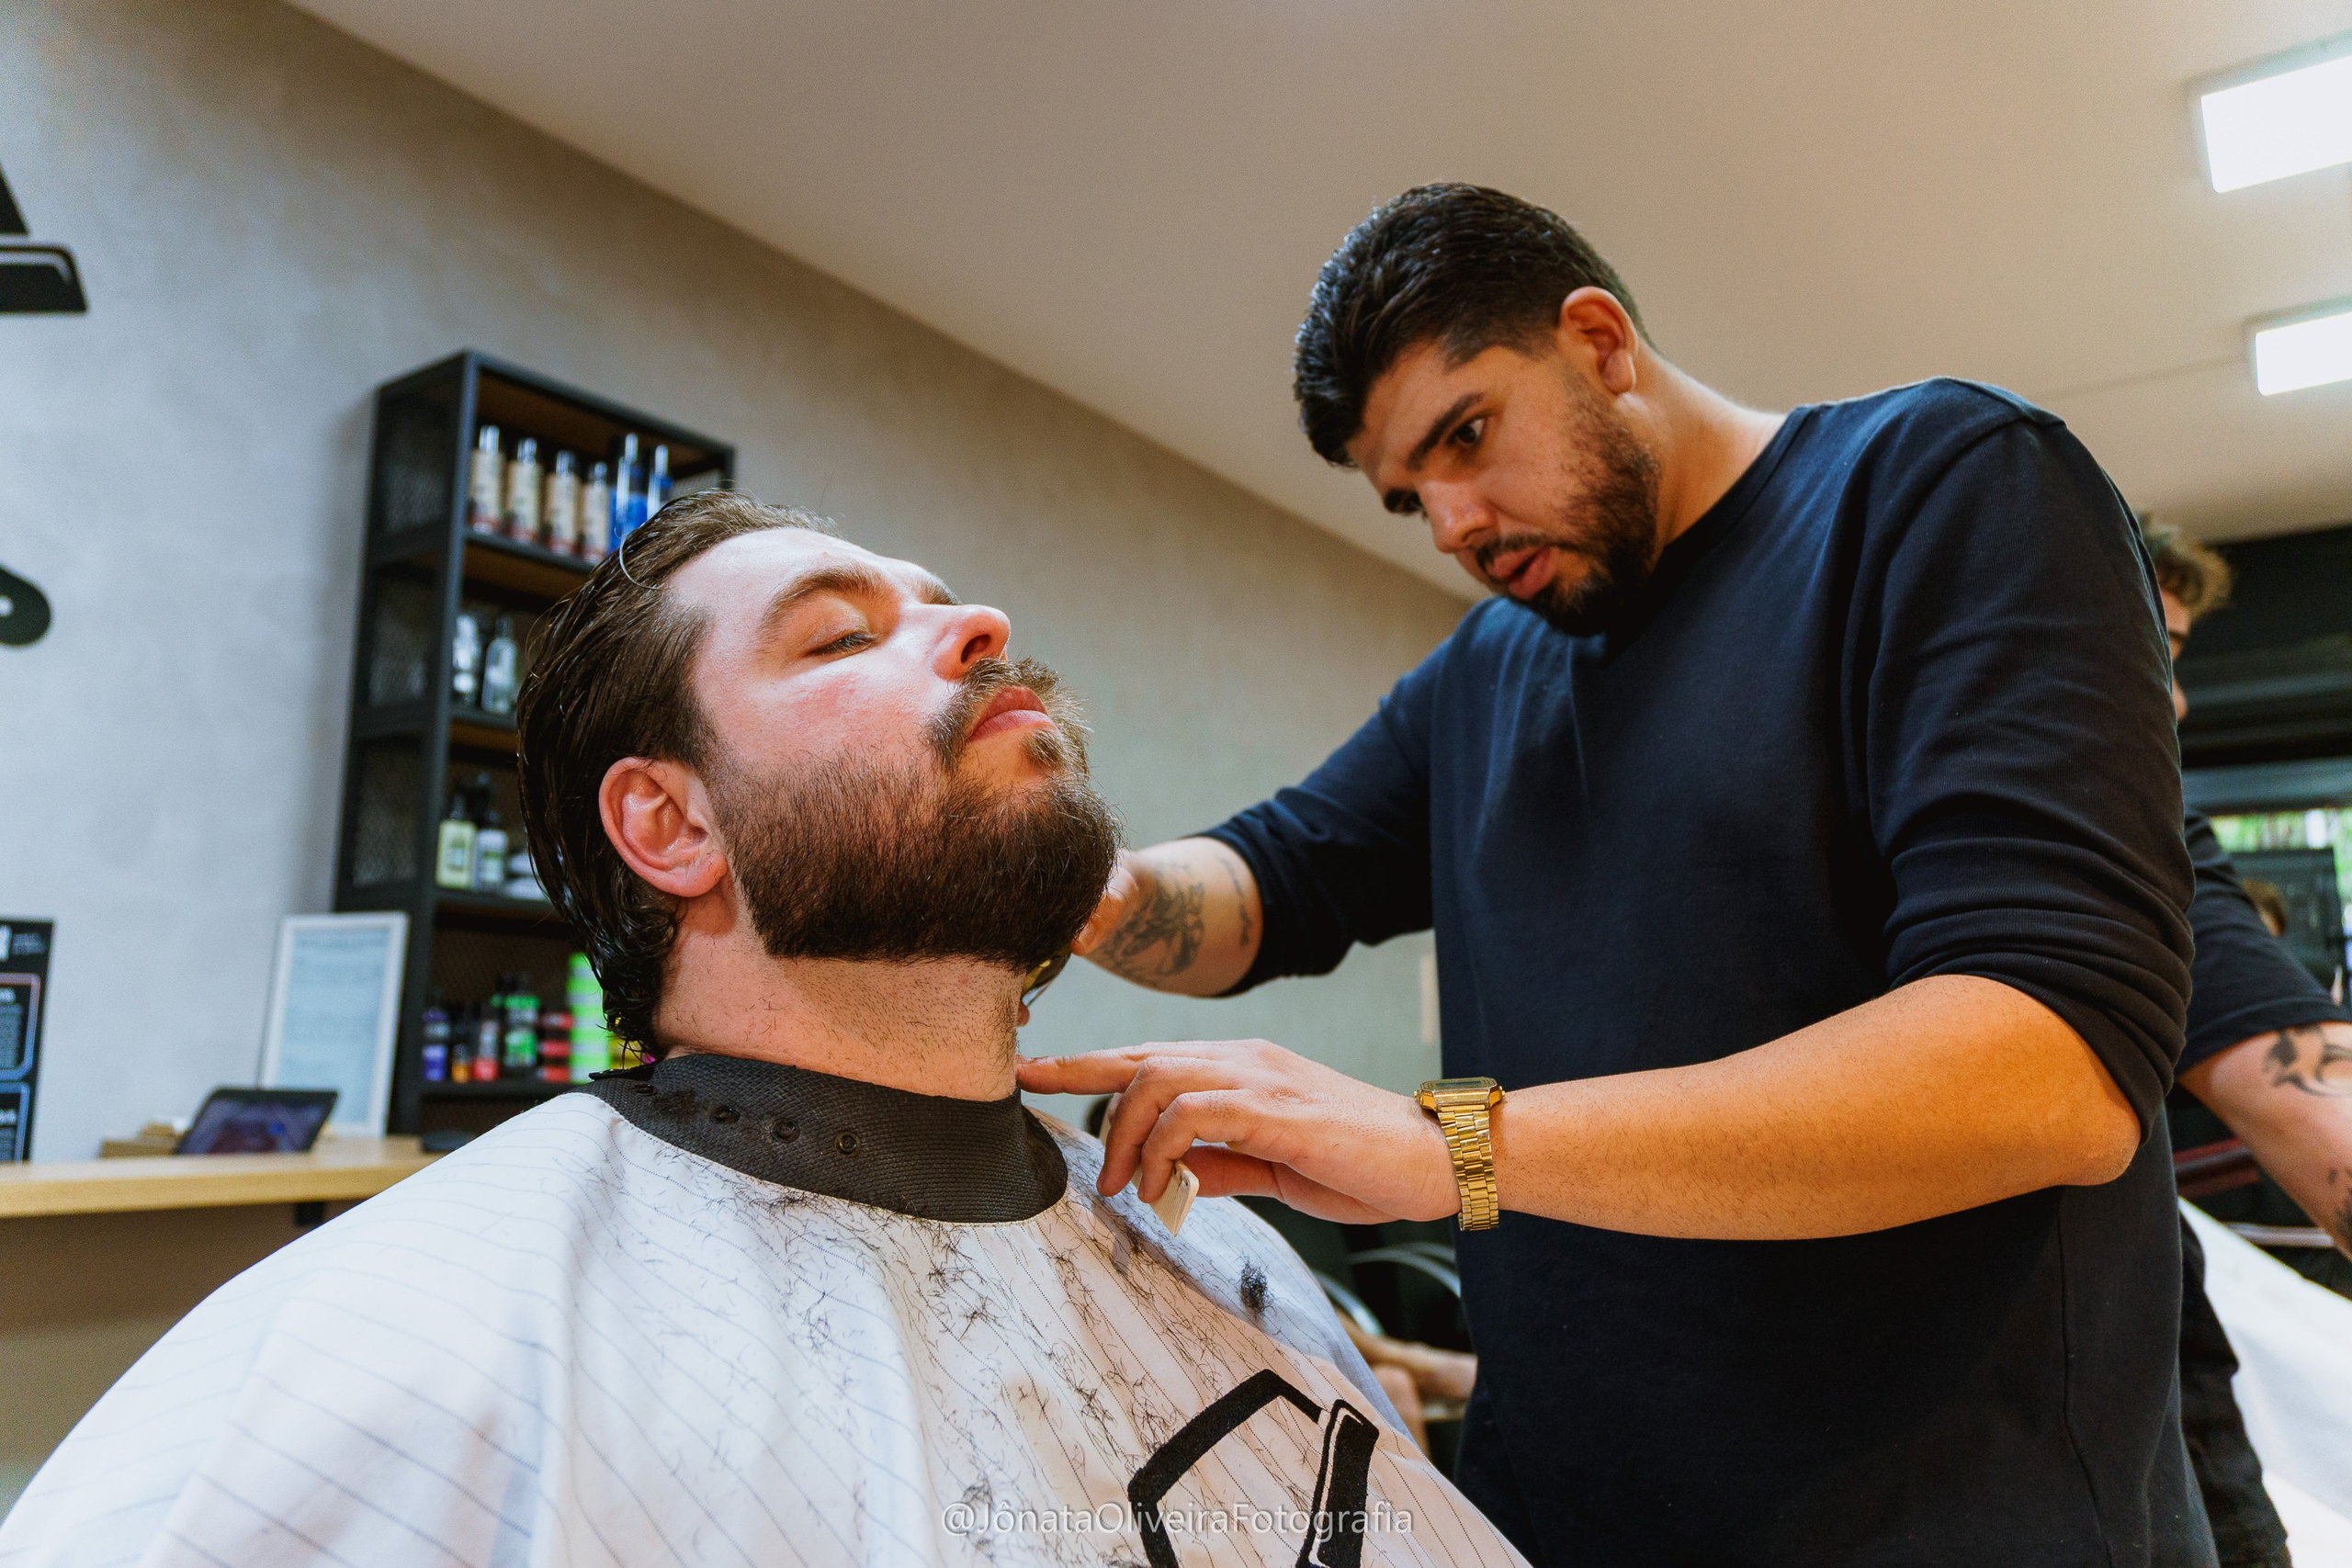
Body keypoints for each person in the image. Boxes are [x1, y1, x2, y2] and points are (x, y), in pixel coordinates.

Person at [0, 495, 1527, 1568]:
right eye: (840, 635)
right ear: (671, 823)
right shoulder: (409, 1351)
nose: (982, 624)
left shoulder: (1225, 1254)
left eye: (944, 604)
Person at [1023, 184, 2206, 1564]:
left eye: (1467, 435)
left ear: (1598, 342)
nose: (1452, 522)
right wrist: (1072, 883)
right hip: (1565, 1516)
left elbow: (2052, 1066)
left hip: (1948, 1520)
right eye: (1410, 497)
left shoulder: (1940, 487)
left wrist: (1452, 1148)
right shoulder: (1483, 674)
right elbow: (1268, 885)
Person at [2150, 525, 2352, 1568]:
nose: (2177, 700)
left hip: (2144, 1406)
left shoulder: (2142, 836)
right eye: (2146, 645)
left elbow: (2308, 1087)